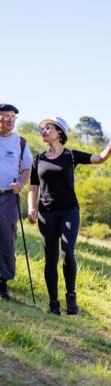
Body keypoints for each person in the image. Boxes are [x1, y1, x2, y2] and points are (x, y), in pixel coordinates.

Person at [27, 116, 111, 315]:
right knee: (50, 258)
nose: (44, 130)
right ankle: (53, 304)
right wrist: (31, 208)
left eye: (48, 127)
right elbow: (33, 188)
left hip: (70, 211)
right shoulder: (38, 159)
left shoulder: (71, 156)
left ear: (59, 133)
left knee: (67, 252)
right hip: (46, 214)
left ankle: (71, 298)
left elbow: (99, 159)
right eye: (42, 128)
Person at [0, 103, 33, 299]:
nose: (10, 120)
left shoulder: (20, 142)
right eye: (5, 116)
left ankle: (3, 284)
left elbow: (27, 169)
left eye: (13, 117)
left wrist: (21, 183)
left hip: (8, 197)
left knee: (6, 239)